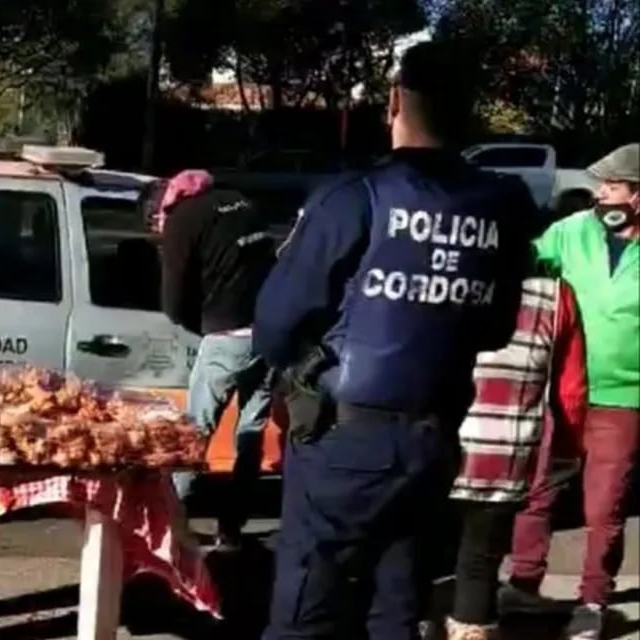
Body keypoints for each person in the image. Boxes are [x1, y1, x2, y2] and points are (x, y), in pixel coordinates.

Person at [253, 41, 536, 640]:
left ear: (392, 103)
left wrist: (305, 370)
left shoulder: (355, 196)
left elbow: (275, 326)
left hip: (344, 439)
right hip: (433, 439)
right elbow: (495, 325)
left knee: (307, 609)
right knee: (397, 607)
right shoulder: (503, 206)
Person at [499, 143, 640, 640]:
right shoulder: (572, 231)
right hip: (563, 385)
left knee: (605, 507)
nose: (602, 195)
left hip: (624, 396)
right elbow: (525, 266)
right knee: (537, 490)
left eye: (614, 187)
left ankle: (594, 600)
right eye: (600, 187)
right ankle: (522, 583)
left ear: (638, 196)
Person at [140, 170, 277, 550]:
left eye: (154, 226)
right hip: (268, 332)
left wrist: (201, 326)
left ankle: (170, 525)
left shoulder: (181, 222)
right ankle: (231, 530)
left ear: (159, 212)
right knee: (250, 433)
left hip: (226, 337)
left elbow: (173, 302)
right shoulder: (238, 199)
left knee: (193, 434)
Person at [446, 272, 587, 640]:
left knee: (410, 558)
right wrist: (567, 450)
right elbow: (570, 389)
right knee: (479, 562)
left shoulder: (446, 272)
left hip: (432, 440)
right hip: (502, 453)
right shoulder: (554, 295)